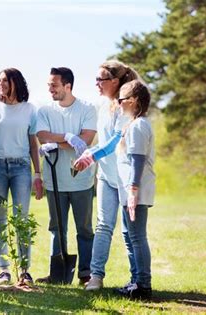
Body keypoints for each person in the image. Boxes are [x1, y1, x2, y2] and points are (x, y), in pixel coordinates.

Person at [73, 60, 140, 291]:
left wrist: (91, 157)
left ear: (115, 81)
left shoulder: (126, 106)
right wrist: (89, 152)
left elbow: (114, 142)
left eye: (100, 80)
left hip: (124, 177)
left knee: (129, 232)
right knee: (103, 226)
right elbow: (102, 142)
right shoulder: (102, 106)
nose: (96, 84)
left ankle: (137, 279)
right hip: (105, 176)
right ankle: (96, 277)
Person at [0, 68, 43, 284]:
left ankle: (24, 269)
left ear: (16, 82)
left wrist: (37, 174)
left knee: (21, 219)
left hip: (21, 168)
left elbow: (34, 145)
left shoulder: (29, 110)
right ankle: (4, 269)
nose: (1, 84)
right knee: (0, 220)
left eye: (5, 80)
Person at [36, 67, 97, 285]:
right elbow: (42, 136)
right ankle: (58, 274)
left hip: (81, 181)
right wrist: (69, 137)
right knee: (57, 229)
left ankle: (86, 274)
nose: (50, 89)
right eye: (49, 85)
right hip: (54, 181)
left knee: (85, 229)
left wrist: (58, 143)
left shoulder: (87, 109)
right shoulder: (44, 111)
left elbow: (86, 139)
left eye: (54, 85)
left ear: (67, 86)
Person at [115, 80, 155, 299]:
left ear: (135, 101)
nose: (119, 103)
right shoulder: (132, 124)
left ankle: (143, 285)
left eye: (123, 99)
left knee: (137, 237)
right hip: (129, 191)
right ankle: (136, 279)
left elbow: (137, 160)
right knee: (129, 236)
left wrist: (133, 189)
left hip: (135, 192)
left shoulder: (139, 126)